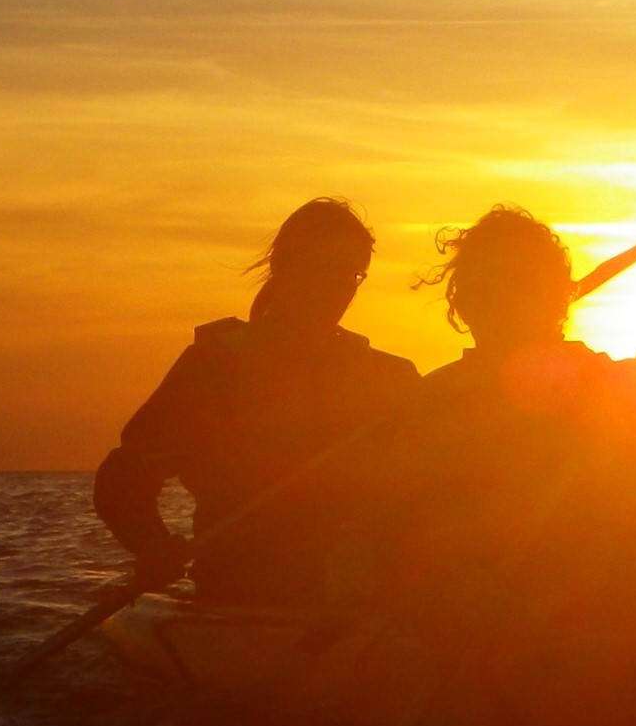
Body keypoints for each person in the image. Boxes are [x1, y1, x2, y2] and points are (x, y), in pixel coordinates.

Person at [349, 205, 636, 641]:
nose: (503, 299)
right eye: (492, 284)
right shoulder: (431, 402)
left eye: (515, 283)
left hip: (613, 625)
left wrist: (634, 404)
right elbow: (394, 535)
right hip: (520, 639)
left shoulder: (605, 381)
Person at [94, 197, 420, 604]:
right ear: (283, 267)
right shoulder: (217, 366)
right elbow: (123, 480)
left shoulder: (392, 377)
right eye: (322, 269)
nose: (336, 288)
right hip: (245, 599)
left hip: (362, 606)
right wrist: (152, 545)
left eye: (351, 274)